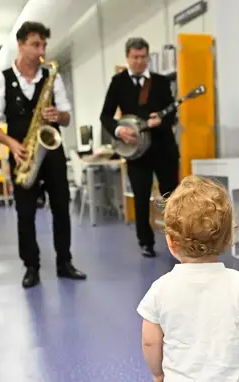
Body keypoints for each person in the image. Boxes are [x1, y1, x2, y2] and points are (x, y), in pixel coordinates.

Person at [137, 176, 239, 382]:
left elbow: (150, 341)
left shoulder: (160, 289)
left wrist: (158, 374)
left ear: (171, 242)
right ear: (228, 238)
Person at [0, 21, 87, 288]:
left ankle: (65, 262)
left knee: (61, 208)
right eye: (35, 44)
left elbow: (66, 117)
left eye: (43, 45)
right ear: (20, 44)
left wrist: (58, 115)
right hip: (22, 154)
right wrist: (11, 144)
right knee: (25, 213)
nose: (41, 51)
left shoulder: (52, 76)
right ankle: (31, 266)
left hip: (51, 152)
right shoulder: (0, 80)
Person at [100, 37, 179, 258]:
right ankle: (146, 242)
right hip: (135, 151)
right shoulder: (118, 82)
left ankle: (178, 240)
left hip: (163, 148)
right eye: (135, 57)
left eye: (143, 57)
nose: (139, 61)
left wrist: (161, 120)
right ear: (127, 57)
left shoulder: (160, 82)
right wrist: (119, 130)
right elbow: (105, 115)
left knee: (171, 197)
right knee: (141, 197)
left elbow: (172, 112)